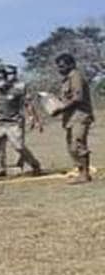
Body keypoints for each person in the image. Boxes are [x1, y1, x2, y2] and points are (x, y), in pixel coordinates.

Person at [0, 67, 43, 180]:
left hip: (13, 123)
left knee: (19, 147)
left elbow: (27, 104)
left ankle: (35, 165)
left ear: (6, 79)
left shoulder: (16, 90)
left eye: (1, 78)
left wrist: (32, 117)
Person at [49, 53, 94, 184]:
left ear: (71, 65)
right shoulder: (66, 80)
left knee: (78, 144)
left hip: (80, 116)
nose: (60, 69)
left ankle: (85, 175)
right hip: (70, 118)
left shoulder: (76, 77)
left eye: (62, 66)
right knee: (71, 146)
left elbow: (77, 98)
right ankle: (80, 172)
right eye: (58, 66)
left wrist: (60, 109)